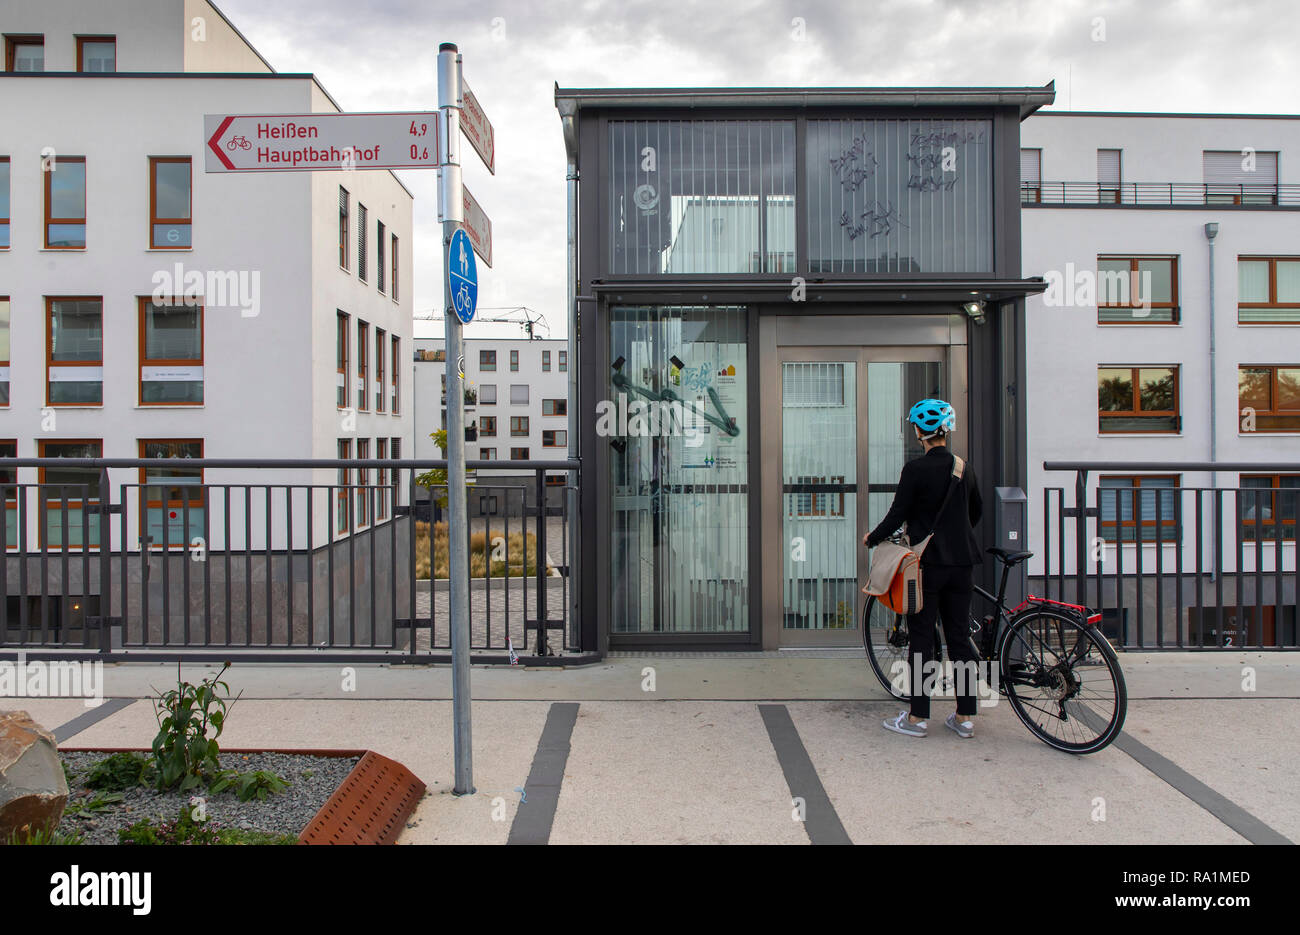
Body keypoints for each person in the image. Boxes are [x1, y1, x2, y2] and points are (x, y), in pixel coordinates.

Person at [863, 398, 983, 739]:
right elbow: (977, 511)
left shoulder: (915, 470)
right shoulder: (964, 467)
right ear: (946, 430)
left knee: (921, 638)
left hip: (926, 566)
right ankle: (964, 716)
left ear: (919, 432)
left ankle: (917, 718)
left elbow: (897, 514)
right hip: (962, 565)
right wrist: (955, 537)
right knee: (959, 637)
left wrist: (872, 538)